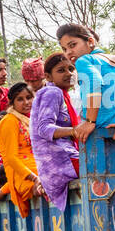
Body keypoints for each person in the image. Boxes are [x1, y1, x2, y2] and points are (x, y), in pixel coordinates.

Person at [55, 23, 115, 145]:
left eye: (72, 45)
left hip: (106, 135)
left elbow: (94, 82)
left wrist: (90, 121)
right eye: (64, 49)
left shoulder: (84, 61)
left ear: (90, 41)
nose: (68, 52)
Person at [30, 53, 83, 211]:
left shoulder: (60, 93)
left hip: (56, 162)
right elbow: (44, 128)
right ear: (48, 76)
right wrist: (75, 131)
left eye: (71, 69)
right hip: (60, 160)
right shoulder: (53, 93)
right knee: (101, 165)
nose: (68, 73)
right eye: (61, 70)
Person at [0, 82, 44, 217]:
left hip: (39, 166)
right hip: (24, 175)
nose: (26, 102)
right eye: (20, 99)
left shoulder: (31, 119)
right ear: (12, 103)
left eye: (29, 97)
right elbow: (11, 158)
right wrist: (35, 179)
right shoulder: (9, 121)